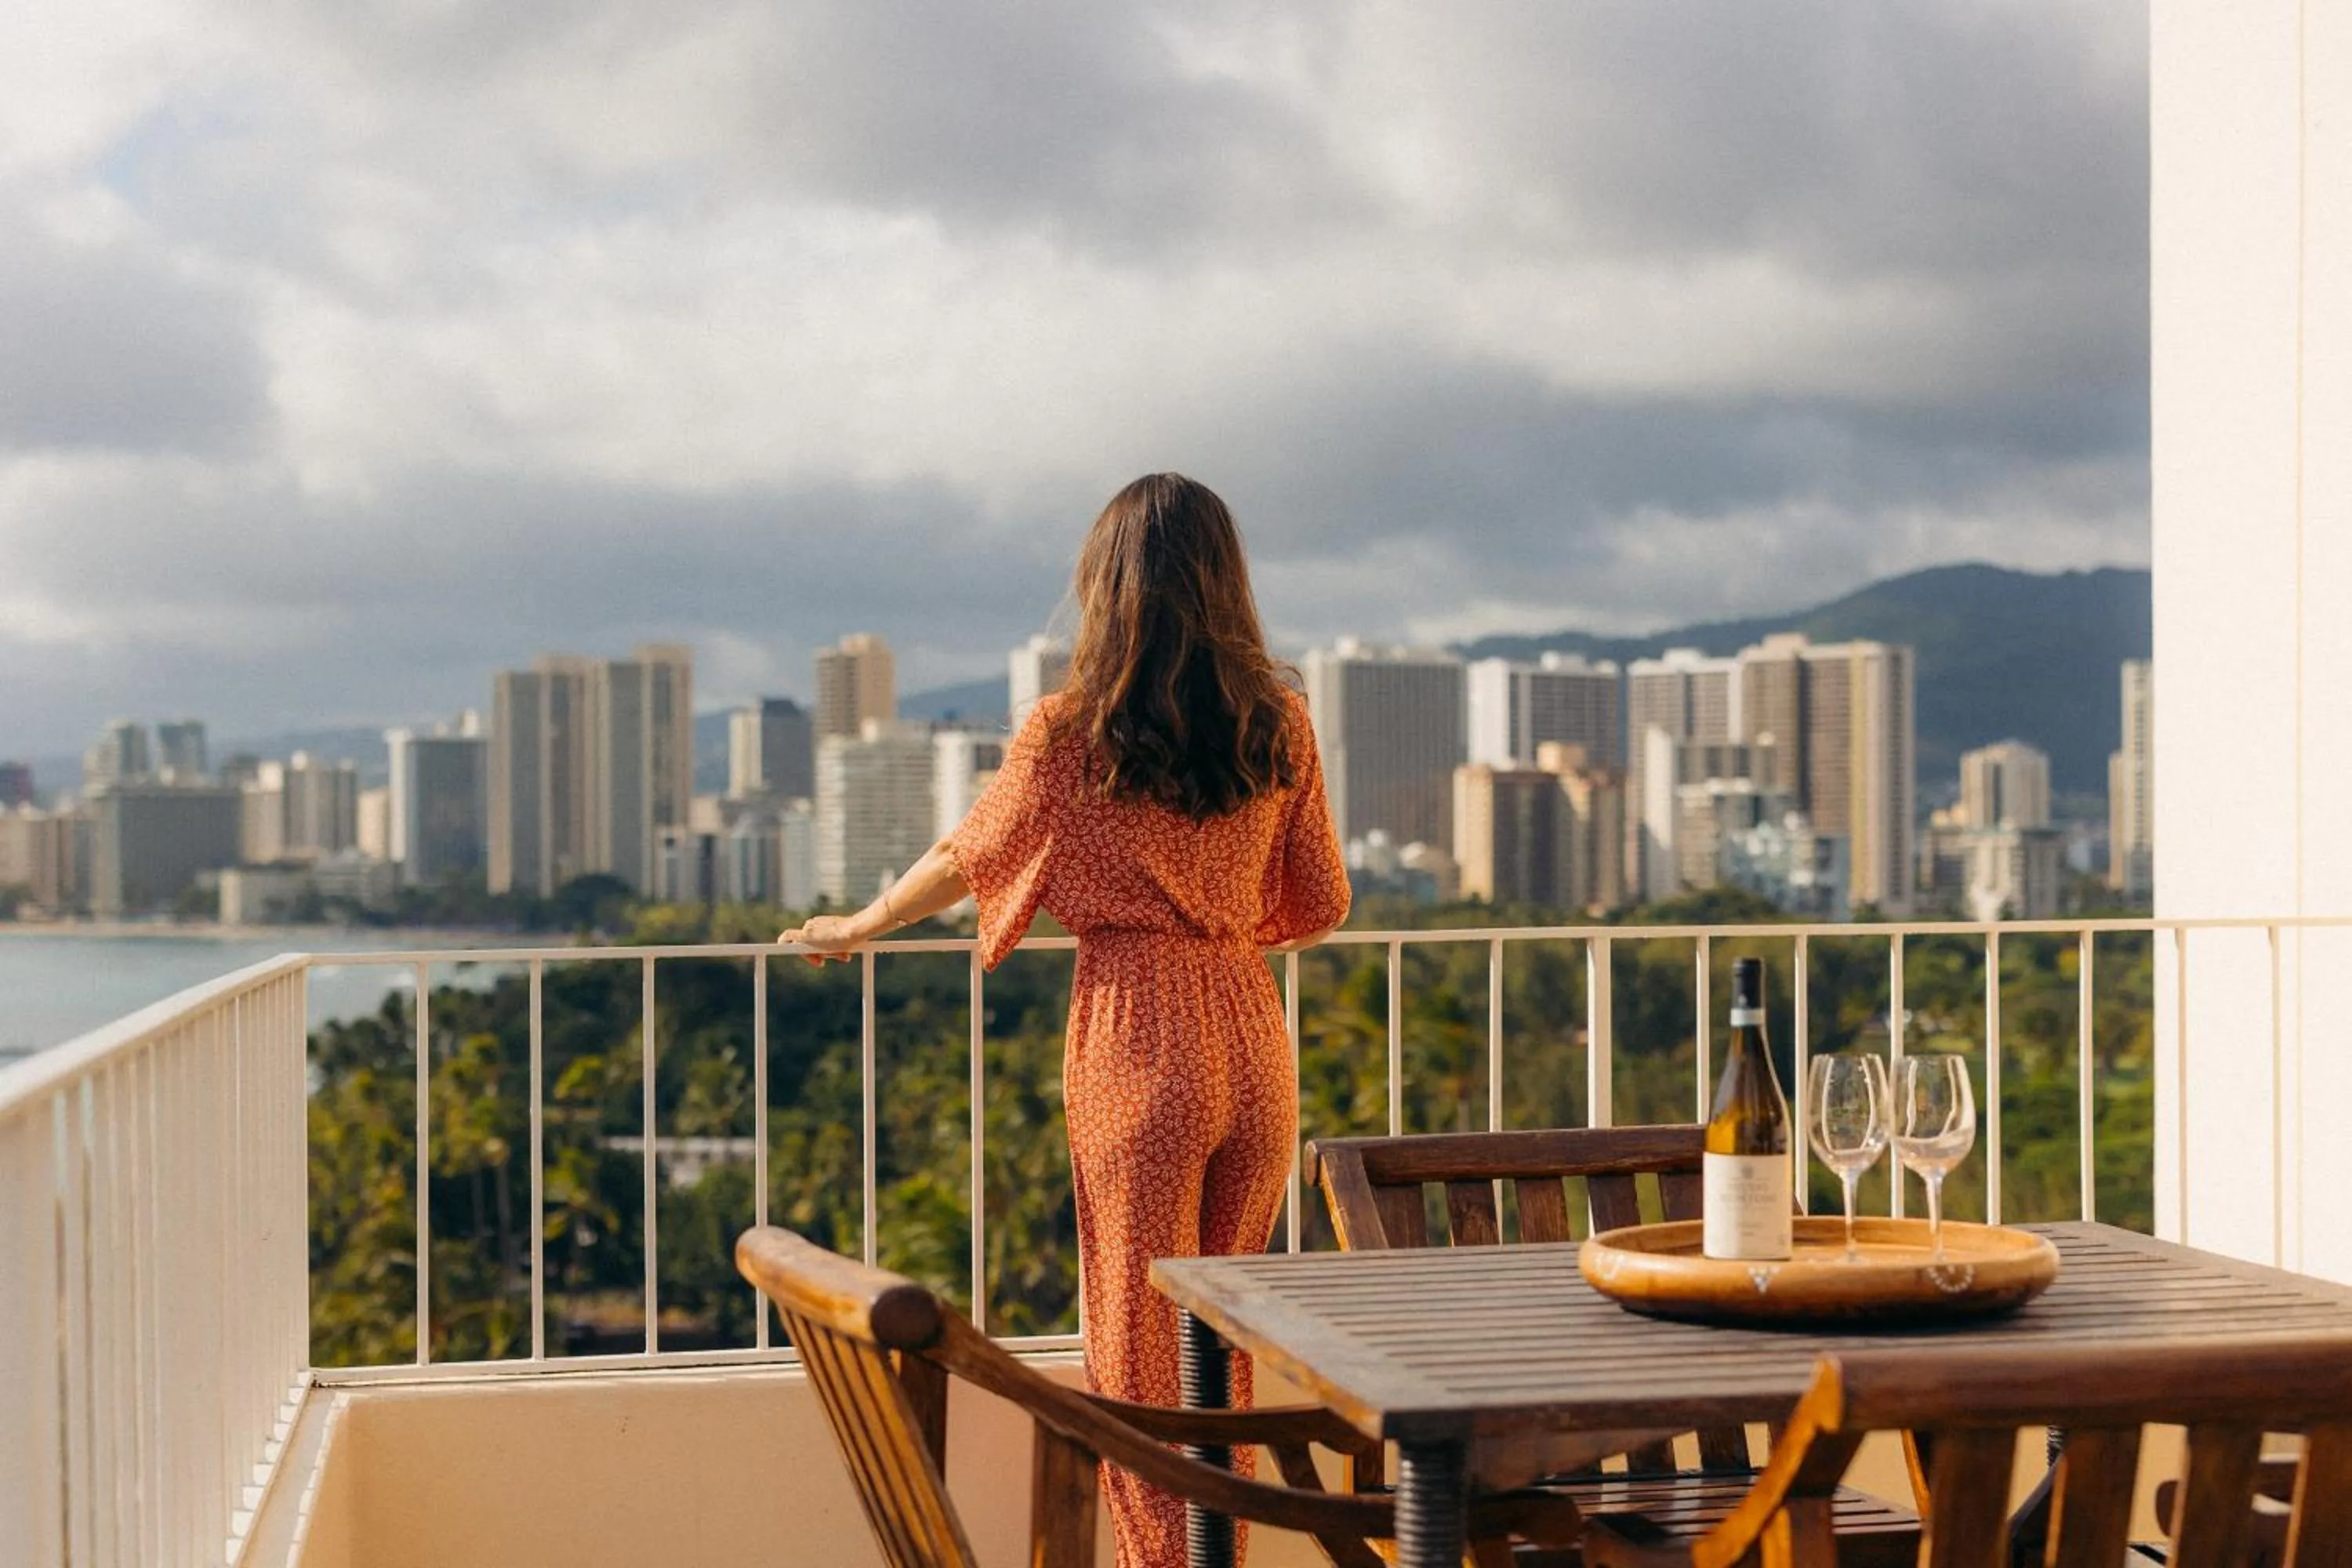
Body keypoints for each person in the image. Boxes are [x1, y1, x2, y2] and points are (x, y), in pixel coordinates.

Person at [782, 473, 1349, 1568]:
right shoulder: (1279, 724)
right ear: (1227, 580)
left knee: (1136, 1354)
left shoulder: (1070, 732)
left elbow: (969, 854)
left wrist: (858, 924)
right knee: (1217, 1342)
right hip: (1251, 1032)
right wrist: (1224, 917)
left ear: (1108, 587)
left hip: (1140, 1037)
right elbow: (1320, 903)